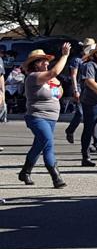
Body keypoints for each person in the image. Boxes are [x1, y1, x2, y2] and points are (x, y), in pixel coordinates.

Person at [18, 45, 70, 188]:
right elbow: (54, 71)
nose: (46, 63)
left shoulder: (49, 79)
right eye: (42, 61)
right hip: (36, 117)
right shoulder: (33, 77)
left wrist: (56, 83)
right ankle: (56, 177)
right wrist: (64, 55)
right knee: (48, 143)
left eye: (46, 60)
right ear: (35, 64)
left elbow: (59, 93)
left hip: (51, 118)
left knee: (39, 145)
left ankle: (25, 172)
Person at [64, 38, 97, 153]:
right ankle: (70, 130)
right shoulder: (77, 60)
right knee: (81, 113)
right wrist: (75, 90)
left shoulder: (94, 60)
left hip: (92, 89)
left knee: (95, 114)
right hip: (81, 88)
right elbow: (73, 75)